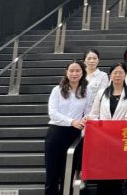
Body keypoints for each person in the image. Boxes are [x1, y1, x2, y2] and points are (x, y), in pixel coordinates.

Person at [45, 61, 91, 195]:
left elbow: (88, 111)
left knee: (68, 174)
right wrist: (72, 121)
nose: (74, 73)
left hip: (74, 135)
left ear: (82, 73)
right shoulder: (57, 90)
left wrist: (86, 118)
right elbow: (53, 113)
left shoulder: (87, 91)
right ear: (66, 72)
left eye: (78, 71)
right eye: (71, 71)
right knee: (52, 172)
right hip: (56, 133)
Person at [87, 63, 127, 195]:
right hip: (103, 139)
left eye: (121, 72)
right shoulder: (102, 93)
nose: (118, 75)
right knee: (103, 172)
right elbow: (94, 114)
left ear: (125, 75)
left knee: (118, 173)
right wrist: (90, 120)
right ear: (110, 75)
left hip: (120, 139)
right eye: (115, 72)